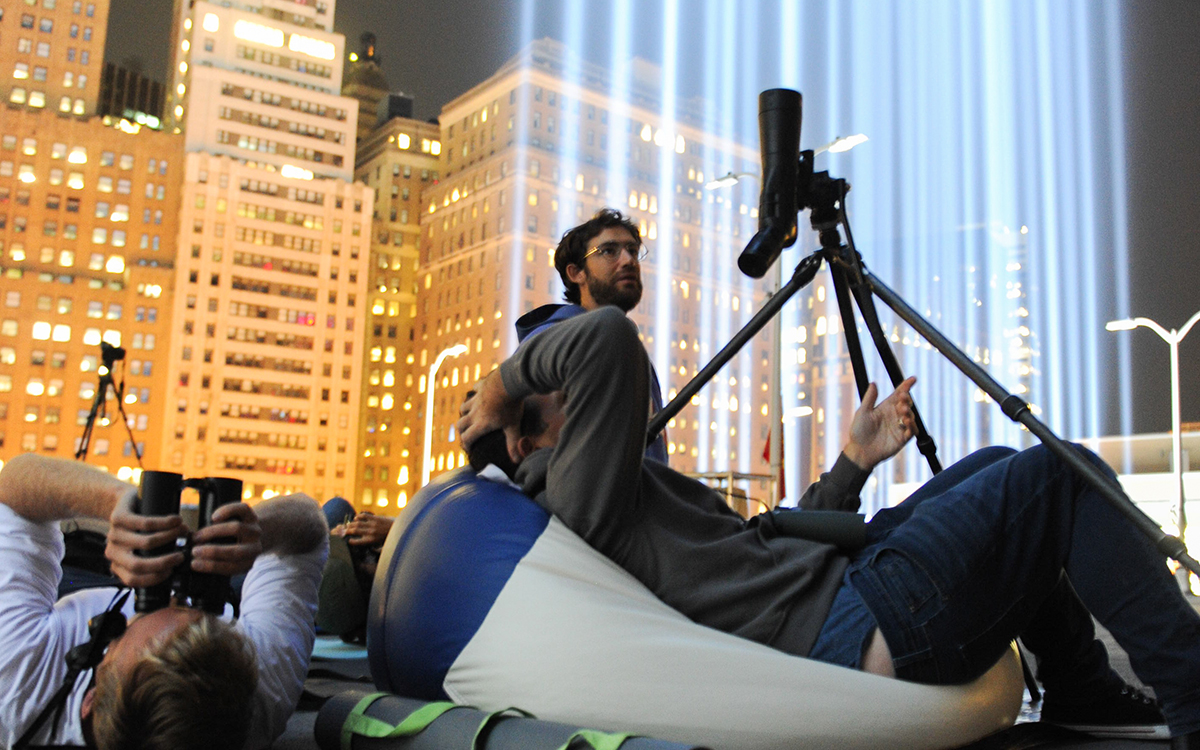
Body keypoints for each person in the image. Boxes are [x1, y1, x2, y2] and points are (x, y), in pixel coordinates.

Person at [458, 306, 1200, 746]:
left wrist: (855, 458)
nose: (587, 404)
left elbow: (767, 545)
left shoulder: (605, 489)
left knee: (999, 460)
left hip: (842, 591)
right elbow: (607, 341)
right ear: (524, 439)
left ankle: (1081, 686)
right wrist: (500, 385)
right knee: (1055, 478)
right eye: (561, 398)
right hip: (858, 620)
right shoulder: (574, 491)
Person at [0, 454, 329, 749]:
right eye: (201, 616)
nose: (175, 589)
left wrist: (117, 503)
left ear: (90, 696)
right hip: (228, 578)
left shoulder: (18, 683)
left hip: (78, 576)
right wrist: (255, 532)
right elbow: (310, 528)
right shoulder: (260, 691)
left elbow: (11, 488)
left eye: (129, 626)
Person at [514, 208, 669, 463]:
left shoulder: (631, 350)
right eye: (609, 251)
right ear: (576, 273)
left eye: (633, 251)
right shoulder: (551, 339)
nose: (628, 260)